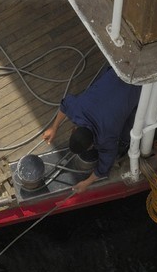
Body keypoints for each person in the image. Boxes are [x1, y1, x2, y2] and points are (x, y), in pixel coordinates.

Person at [41, 65, 142, 193]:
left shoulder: (107, 139)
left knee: (127, 131)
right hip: (120, 69)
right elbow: (65, 104)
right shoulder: (77, 108)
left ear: (91, 146)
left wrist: (86, 183)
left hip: (139, 85)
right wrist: (53, 128)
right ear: (74, 129)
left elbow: (105, 166)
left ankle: (125, 142)